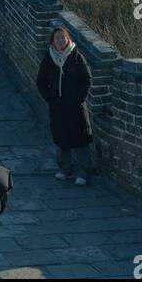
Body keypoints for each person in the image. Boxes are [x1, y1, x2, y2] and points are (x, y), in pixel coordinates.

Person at [36, 25, 93, 186]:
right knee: (61, 138)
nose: (61, 40)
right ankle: (65, 169)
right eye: (57, 38)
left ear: (68, 39)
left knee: (81, 139)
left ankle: (83, 172)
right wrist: (50, 99)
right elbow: (41, 82)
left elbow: (87, 79)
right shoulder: (49, 58)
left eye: (63, 37)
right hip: (58, 107)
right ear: (53, 42)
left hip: (76, 107)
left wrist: (79, 99)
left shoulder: (76, 57)